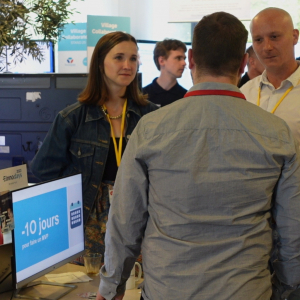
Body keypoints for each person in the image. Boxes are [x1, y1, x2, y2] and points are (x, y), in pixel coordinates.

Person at [96, 12, 300, 300]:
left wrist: (112, 285)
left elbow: (125, 219)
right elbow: (293, 230)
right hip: (247, 291)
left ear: (191, 59)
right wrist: (288, 289)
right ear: (243, 62)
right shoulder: (277, 133)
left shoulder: (151, 129)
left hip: (168, 291)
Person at [30, 31, 158, 259]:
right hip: (89, 222)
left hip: (139, 220)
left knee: (136, 288)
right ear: (100, 63)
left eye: (133, 58)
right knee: (89, 289)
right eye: (118, 57)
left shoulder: (152, 116)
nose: (127, 65)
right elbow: (43, 172)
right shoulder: (73, 118)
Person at [240, 7, 300, 146]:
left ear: (294, 36)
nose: (267, 47)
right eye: (258, 39)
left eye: (274, 37)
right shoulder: (245, 93)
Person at [142, 39, 187, 107]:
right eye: (178, 58)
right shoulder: (143, 96)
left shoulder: (186, 97)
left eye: (184, 58)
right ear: (161, 61)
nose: (184, 63)